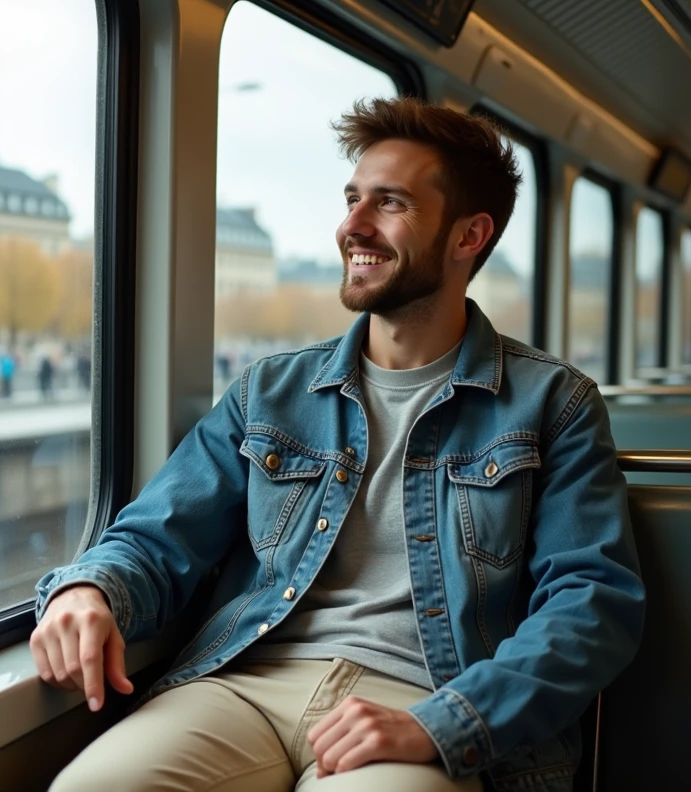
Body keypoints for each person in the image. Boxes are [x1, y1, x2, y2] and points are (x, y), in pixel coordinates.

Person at [33, 99, 645, 792]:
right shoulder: (270, 391)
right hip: (245, 684)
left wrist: (446, 723)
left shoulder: (554, 405)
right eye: (353, 199)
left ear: (469, 235)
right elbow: (156, 535)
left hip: (425, 699)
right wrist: (90, 588)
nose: (352, 225)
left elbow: (590, 604)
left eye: (391, 203)